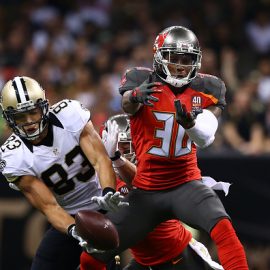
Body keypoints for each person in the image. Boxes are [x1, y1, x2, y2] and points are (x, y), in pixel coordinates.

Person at [89, 26, 249, 270]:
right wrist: (133, 96)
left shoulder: (208, 88)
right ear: (159, 57)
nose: (180, 66)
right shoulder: (140, 80)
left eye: (187, 60)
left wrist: (192, 124)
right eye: (174, 58)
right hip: (147, 189)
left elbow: (207, 134)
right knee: (94, 252)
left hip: (186, 183)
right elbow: (126, 106)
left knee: (224, 228)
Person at [0, 76, 127, 270]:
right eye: (20, 117)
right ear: (10, 119)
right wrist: (76, 230)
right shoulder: (13, 156)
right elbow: (49, 207)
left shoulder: (69, 115)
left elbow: (100, 160)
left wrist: (108, 192)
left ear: (44, 106)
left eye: (33, 112)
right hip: (72, 216)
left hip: (107, 202)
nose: (29, 121)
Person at [80, 114, 224, 270]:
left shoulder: (149, 163)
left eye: (123, 146)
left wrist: (117, 159)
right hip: (145, 261)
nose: (118, 150)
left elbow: (141, 184)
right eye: (113, 145)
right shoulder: (102, 173)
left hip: (176, 255)